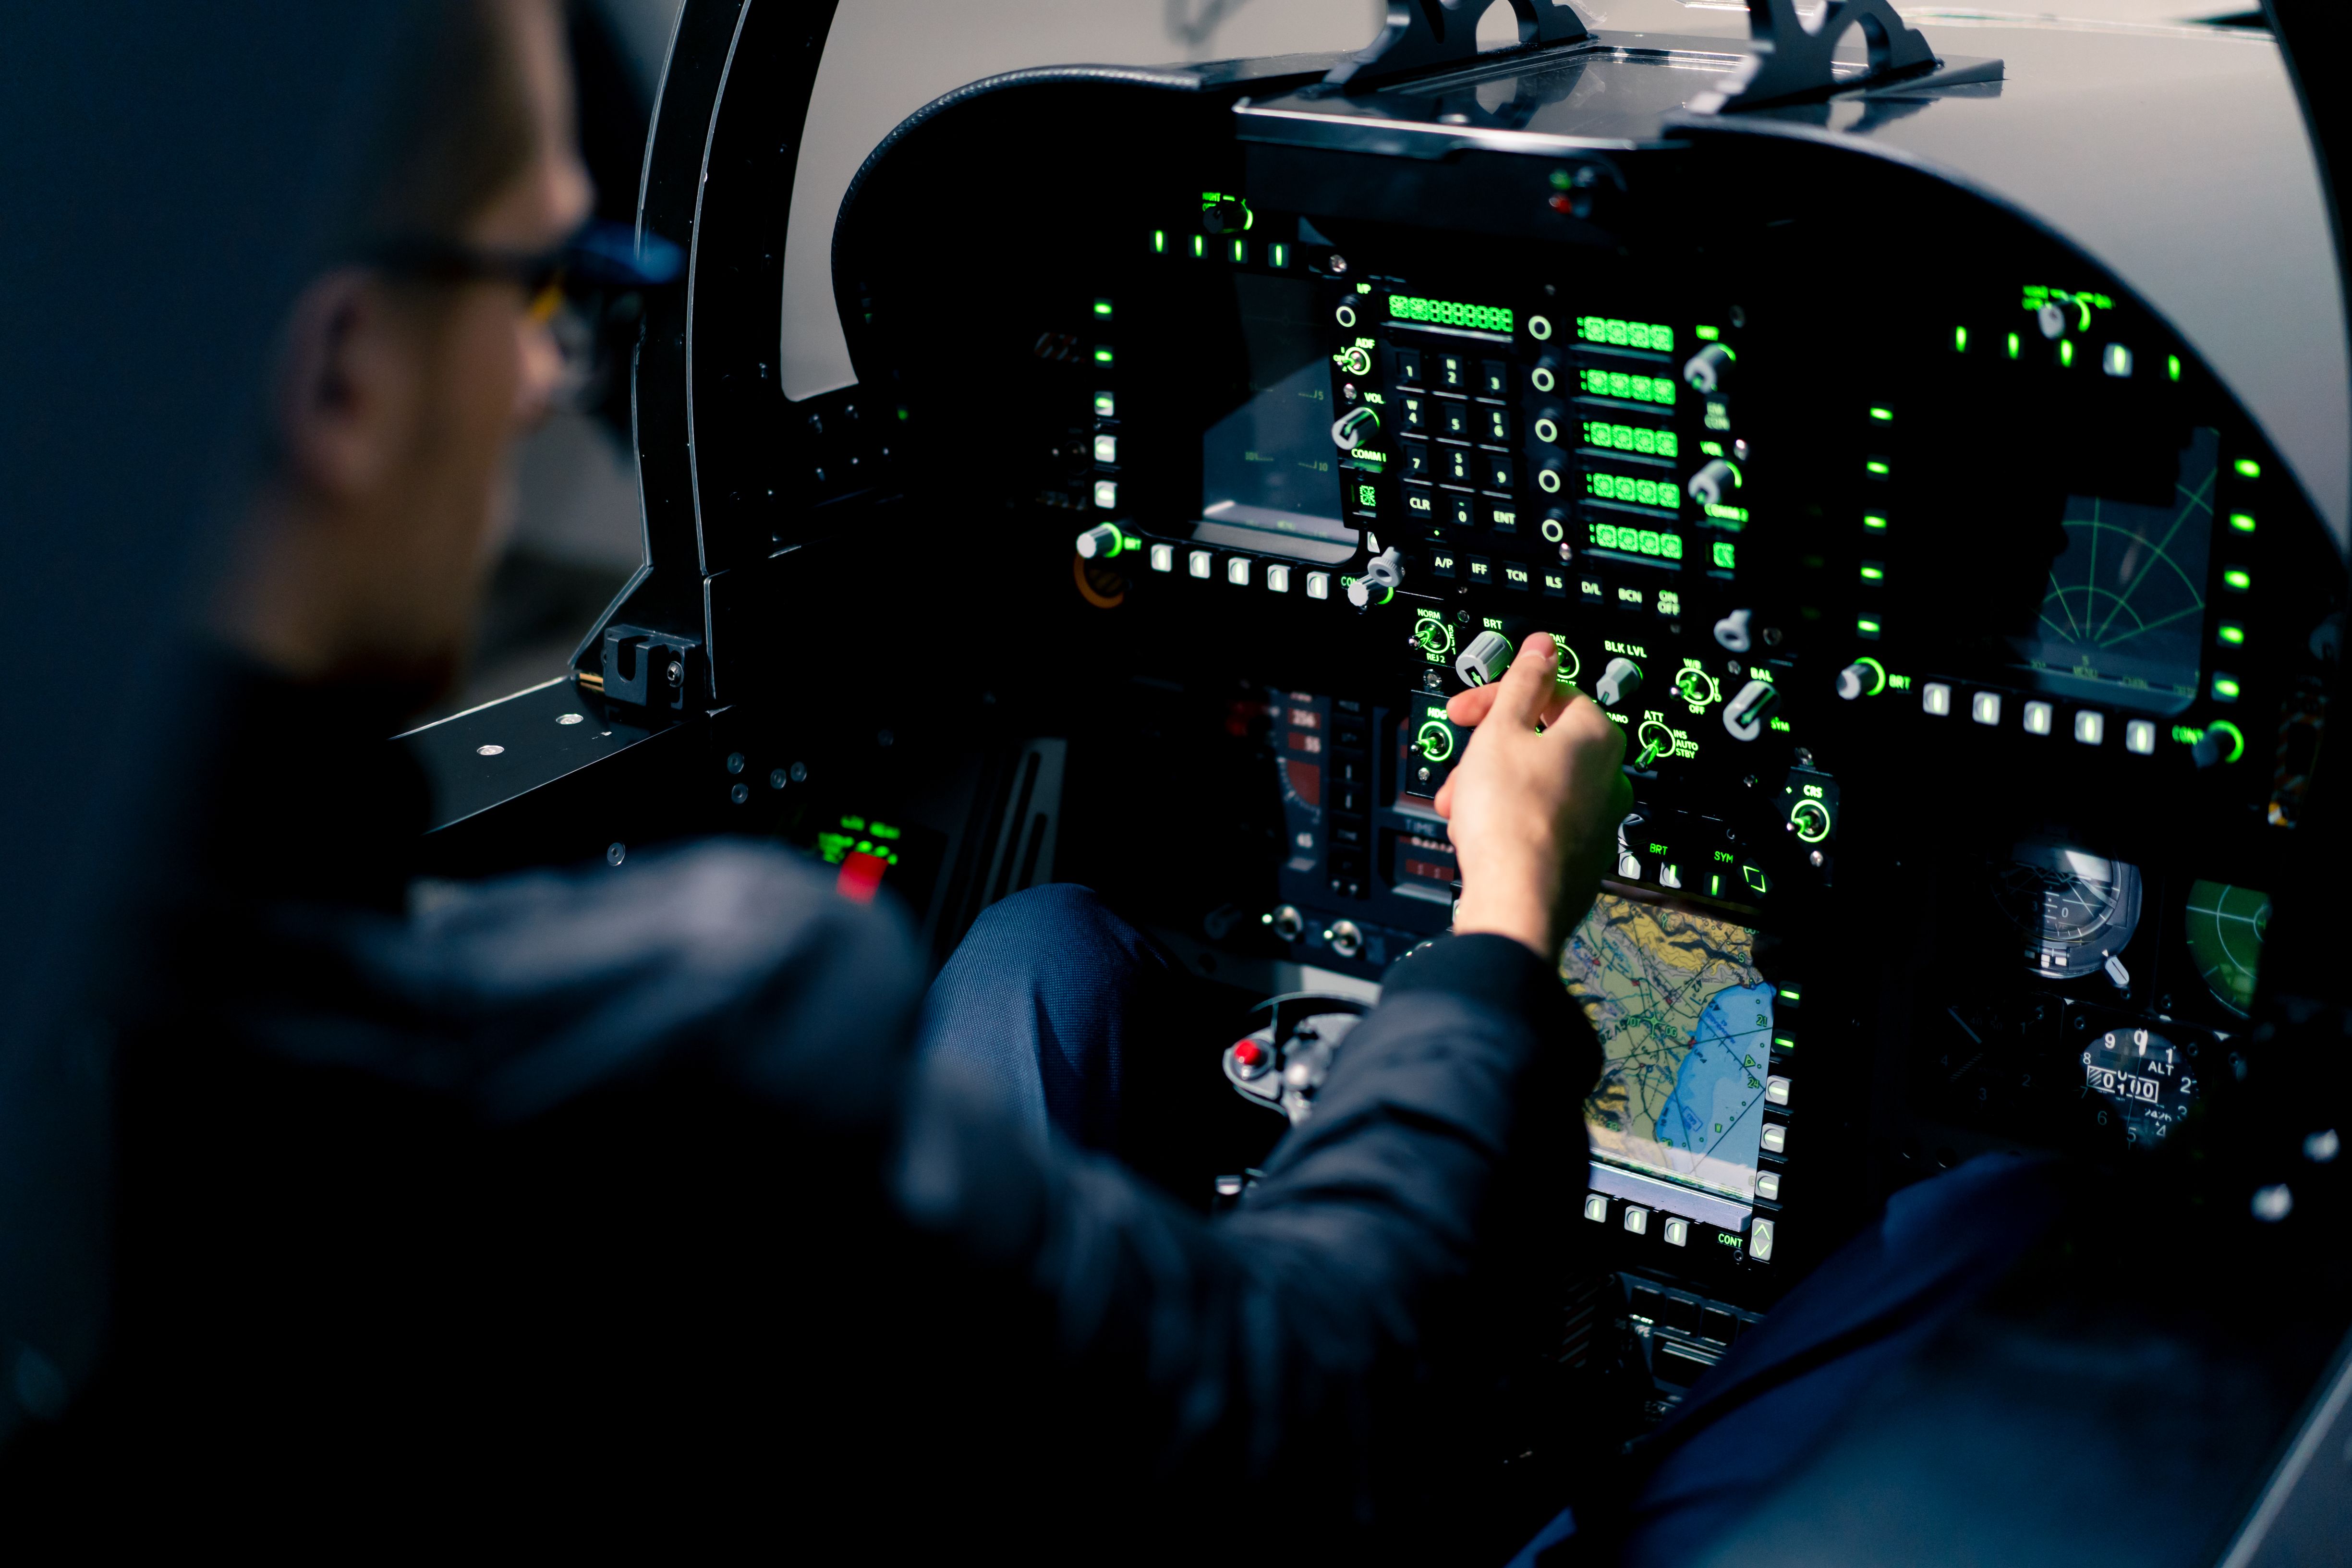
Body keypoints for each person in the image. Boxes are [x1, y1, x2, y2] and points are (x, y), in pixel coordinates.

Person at [0, 2, 1636, 1558]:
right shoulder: (690, 1038)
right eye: (546, 288)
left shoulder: (102, 1046)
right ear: (341, 378)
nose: (537, 380)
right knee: (1904, 1278)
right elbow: (1317, 1397)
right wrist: (1501, 926)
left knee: (1045, 940)